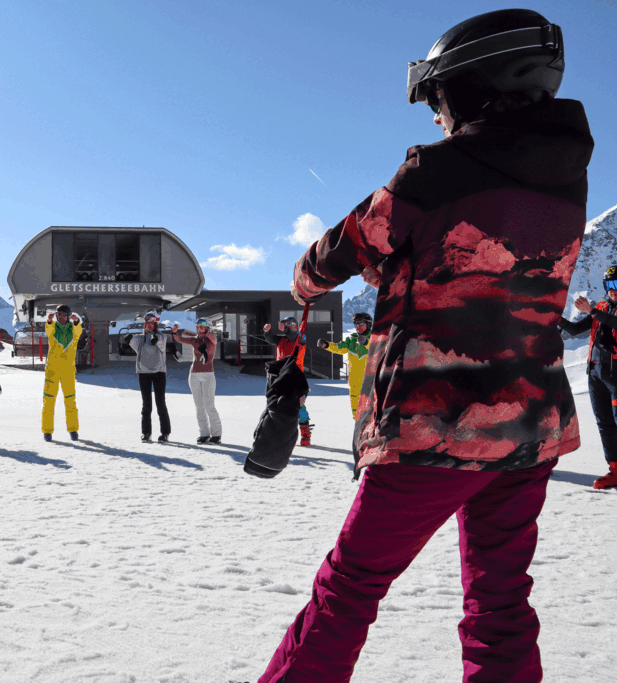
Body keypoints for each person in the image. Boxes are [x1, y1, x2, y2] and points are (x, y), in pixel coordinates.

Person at [249, 10, 591, 682]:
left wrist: (304, 278)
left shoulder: (438, 170)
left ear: (469, 88)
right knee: (500, 602)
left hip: (438, 422)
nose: (435, 117)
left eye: (437, 99)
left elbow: (343, 247)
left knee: (348, 589)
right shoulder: (565, 179)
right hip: (531, 428)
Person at [558, 265, 617, 489]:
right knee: (605, 424)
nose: (614, 290)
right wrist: (558, 317)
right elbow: (574, 330)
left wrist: (592, 311)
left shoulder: (600, 311)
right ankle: (615, 469)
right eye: (610, 285)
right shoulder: (602, 307)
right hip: (596, 375)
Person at [263, 316, 311, 446]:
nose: (285, 326)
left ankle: (305, 433)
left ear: (295, 326)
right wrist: (267, 331)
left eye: (288, 324)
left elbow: (294, 337)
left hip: (296, 377)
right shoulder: (281, 339)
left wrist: (287, 329)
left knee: (299, 406)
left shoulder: (300, 338)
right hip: (280, 377)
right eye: (284, 324)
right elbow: (270, 338)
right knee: (278, 406)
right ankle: (281, 435)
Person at [173, 318, 222, 444]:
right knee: (199, 407)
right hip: (194, 374)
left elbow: (214, 340)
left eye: (202, 326)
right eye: (198, 326)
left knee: (209, 405)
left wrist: (205, 333)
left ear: (207, 327)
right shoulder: (195, 340)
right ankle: (204, 434)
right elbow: (180, 339)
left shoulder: (211, 339)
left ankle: (216, 435)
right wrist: (174, 333)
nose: (199, 328)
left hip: (208, 374)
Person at [124, 312, 171, 442]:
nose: (149, 325)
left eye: (152, 323)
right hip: (143, 373)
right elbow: (135, 346)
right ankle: (146, 433)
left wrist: (157, 341)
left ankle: (165, 433)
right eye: (147, 323)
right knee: (146, 405)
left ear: (155, 324)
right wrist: (129, 339)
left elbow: (162, 345)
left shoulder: (162, 336)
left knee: (160, 403)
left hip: (159, 372)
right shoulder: (141, 338)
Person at [316, 312, 372, 419]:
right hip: (354, 384)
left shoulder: (376, 338)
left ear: (368, 324)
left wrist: (367, 342)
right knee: (357, 416)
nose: (357, 326)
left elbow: (380, 350)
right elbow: (339, 347)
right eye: (355, 324)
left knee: (371, 414)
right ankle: (359, 434)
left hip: (370, 383)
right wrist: (327, 345)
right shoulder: (351, 340)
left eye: (360, 323)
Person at [42, 304, 82, 442]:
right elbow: (48, 329)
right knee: (49, 401)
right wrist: (49, 320)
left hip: (68, 372)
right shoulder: (53, 328)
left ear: (68, 316)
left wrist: (76, 321)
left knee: (70, 401)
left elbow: (78, 330)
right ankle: (47, 431)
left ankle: (73, 429)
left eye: (63, 315)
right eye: (58, 315)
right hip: (52, 371)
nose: (60, 318)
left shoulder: (74, 330)